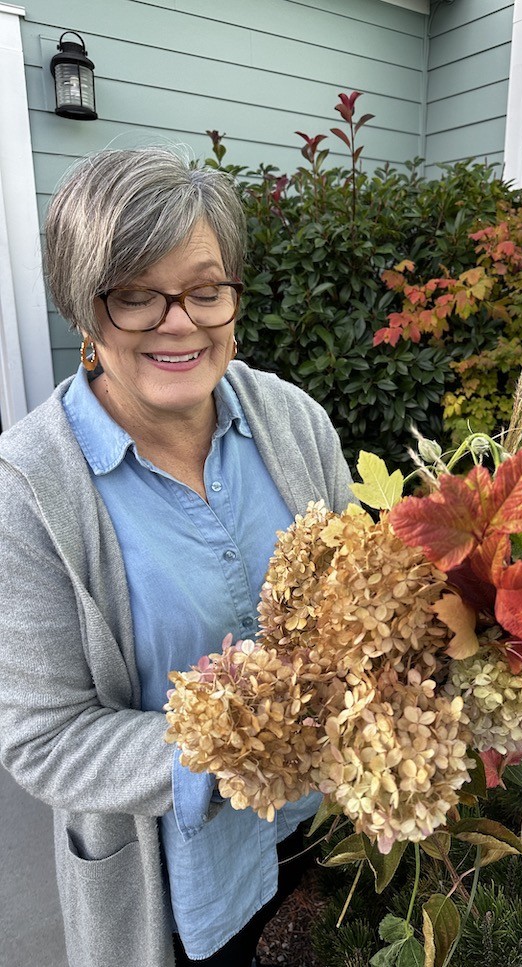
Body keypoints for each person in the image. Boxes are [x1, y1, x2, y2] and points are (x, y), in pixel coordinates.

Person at [0, 148, 353, 967]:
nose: (179, 322)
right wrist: (239, 741)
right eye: (135, 296)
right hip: (181, 885)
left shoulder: (293, 421)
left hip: (326, 830)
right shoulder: (28, 490)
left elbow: (357, 600)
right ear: (85, 310)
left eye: (204, 289)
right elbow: (44, 739)